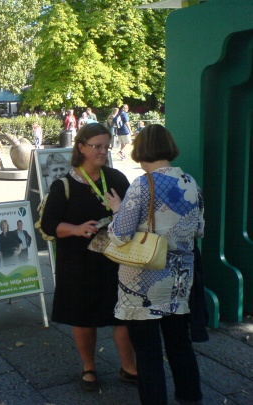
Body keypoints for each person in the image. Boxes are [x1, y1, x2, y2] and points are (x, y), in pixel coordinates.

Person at [105, 124, 204, 405]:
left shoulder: (142, 184)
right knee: (179, 345)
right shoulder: (190, 182)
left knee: (147, 353)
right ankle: (190, 397)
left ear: (141, 150)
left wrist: (117, 211)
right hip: (180, 280)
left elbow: (120, 234)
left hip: (144, 282)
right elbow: (199, 229)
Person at [40, 123, 137, 392]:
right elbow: (49, 225)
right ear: (81, 147)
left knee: (121, 315)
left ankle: (130, 367)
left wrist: (121, 214)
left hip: (114, 259)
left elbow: (134, 216)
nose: (103, 151)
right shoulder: (64, 185)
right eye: (97, 146)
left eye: (106, 146)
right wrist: (76, 229)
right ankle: (89, 367)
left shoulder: (116, 178)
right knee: (83, 317)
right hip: (78, 261)